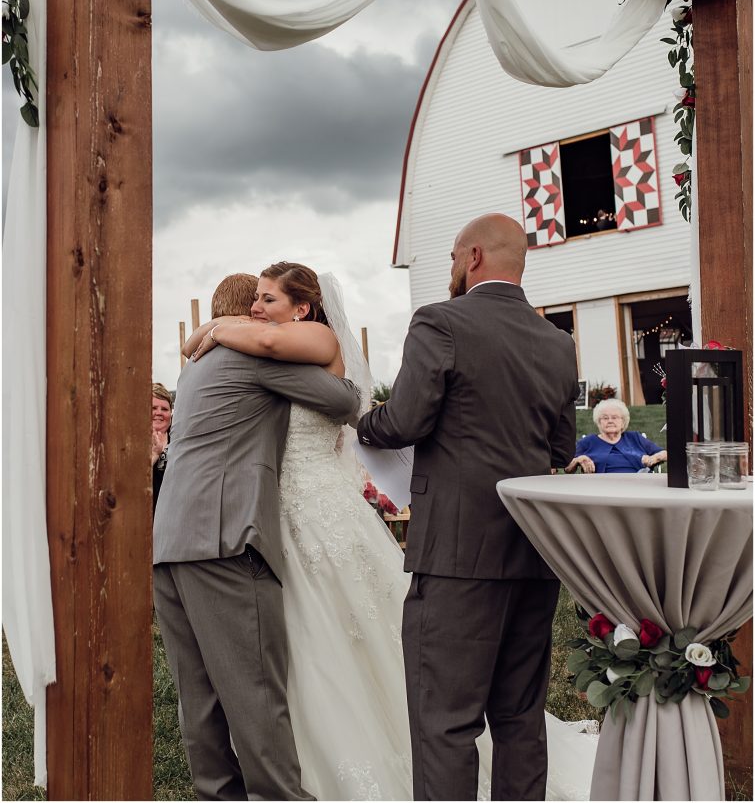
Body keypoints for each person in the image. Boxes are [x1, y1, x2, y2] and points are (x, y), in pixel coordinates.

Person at [191, 255, 596, 802]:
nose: (255, 310)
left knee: (357, 638)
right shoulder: (552, 343)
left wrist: (216, 326)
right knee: (301, 642)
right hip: (277, 512)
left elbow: (366, 409)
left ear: (304, 308)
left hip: (320, 511)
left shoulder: (305, 342)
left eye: (268, 299)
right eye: (254, 300)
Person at [357, 213, 581, 802]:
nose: (451, 270)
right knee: (520, 716)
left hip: (457, 554)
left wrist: (364, 424)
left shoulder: (440, 322)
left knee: (445, 722)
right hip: (533, 553)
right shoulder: (559, 343)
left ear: (474, 256)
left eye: (454, 258)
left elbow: (404, 419)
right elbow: (562, 449)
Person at [153, 267, 360, 802]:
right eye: (262, 304)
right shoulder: (252, 356)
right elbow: (342, 402)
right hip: (224, 538)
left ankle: (218, 795)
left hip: (171, 539)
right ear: (251, 316)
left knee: (197, 697)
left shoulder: (196, 366)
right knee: (255, 694)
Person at [565, 397, 666, 474]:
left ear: (623, 421)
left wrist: (653, 459)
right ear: (598, 422)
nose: (610, 421)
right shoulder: (588, 441)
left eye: (615, 417)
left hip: (637, 486)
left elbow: (664, 453)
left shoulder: (635, 438)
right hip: (600, 489)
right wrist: (579, 459)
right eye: (605, 418)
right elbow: (567, 467)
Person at [151, 382, 173, 515]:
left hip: (174, 515)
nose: (159, 413)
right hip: (145, 516)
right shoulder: (132, 443)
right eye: (153, 408)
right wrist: (154, 455)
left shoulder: (180, 440)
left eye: (164, 409)